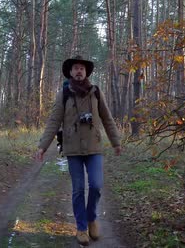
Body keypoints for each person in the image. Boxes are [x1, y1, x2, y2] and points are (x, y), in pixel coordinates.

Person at [34, 55, 122, 246]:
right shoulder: (64, 93)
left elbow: (107, 118)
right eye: (76, 68)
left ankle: (91, 218)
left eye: (82, 68)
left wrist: (116, 142)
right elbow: (53, 121)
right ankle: (81, 227)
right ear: (70, 72)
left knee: (97, 185)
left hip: (94, 147)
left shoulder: (96, 92)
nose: (79, 71)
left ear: (86, 72)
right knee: (78, 189)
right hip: (72, 148)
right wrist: (42, 146)